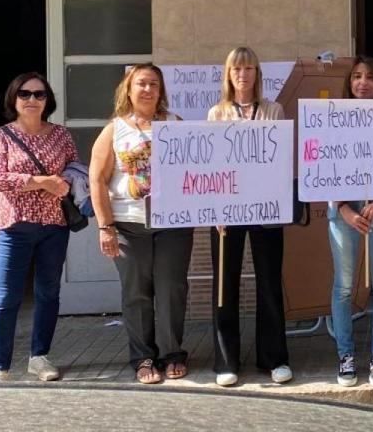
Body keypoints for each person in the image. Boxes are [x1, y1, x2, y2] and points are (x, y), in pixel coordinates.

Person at [88, 64, 193, 385]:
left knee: (172, 290)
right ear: (129, 90)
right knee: (136, 294)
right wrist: (105, 227)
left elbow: (196, 173)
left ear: (161, 91)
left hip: (173, 225)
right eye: (141, 84)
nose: (148, 90)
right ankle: (143, 358)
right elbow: (97, 179)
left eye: (154, 84)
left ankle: (172, 354)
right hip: (129, 226)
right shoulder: (114, 129)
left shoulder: (176, 125)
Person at [0, 73, 78, 382]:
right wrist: (41, 181)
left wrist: (63, 183)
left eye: (39, 95)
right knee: (6, 296)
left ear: (48, 100)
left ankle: (39, 357)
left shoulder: (61, 134)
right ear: (14, 99)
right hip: (14, 226)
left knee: (49, 292)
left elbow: (74, 171)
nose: (32, 100)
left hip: (54, 224)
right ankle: (0, 366)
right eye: (25, 94)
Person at [206, 47, 292, 387]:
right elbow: (211, 164)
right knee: (224, 284)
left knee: (269, 281)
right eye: (236, 69)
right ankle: (226, 360)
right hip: (227, 210)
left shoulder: (273, 109)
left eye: (249, 69)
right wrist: (215, 209)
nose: (243, 75)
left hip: (265, 208)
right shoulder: (216, 113)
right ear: (228, 75)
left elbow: (281, 158)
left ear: (257, 74)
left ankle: (274, 358)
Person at [329, 55, 373, 388]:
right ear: (349, 82)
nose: (363, 82)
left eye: (370, 77)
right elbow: (322, 166)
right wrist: (343, 208)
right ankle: (346, 355)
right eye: (357, 76)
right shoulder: (332, 119)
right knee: (344, 286)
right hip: (344, 211)